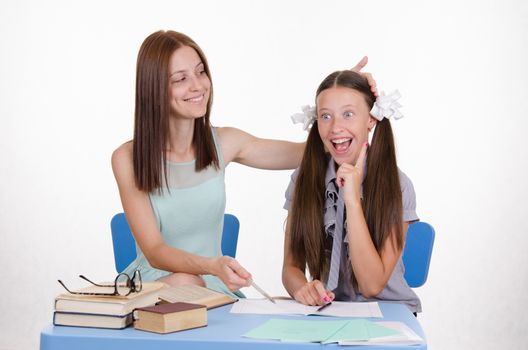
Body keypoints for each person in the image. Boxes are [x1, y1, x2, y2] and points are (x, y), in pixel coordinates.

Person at [112, 30, 375, 298]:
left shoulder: (225, 143)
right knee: (184, 282)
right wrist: (211, 266)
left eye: (201, 72)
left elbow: (308, 152)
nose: (198, 85)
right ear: (153, 88)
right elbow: (155, 251)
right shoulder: (127, 159)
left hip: (211, 286)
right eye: (180, 78)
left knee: (196, 287)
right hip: (156, 288)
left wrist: (345, 100)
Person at [282, 70, 421, 313]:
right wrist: (301, 288)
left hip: (388, 312)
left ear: (370, 119)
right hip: (331, 311)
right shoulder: (304, 180)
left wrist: (352, 200)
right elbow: (291, 267)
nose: (336, 127)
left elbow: (371, 286)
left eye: (348, 114)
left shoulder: (398, 186)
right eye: (326, 116)